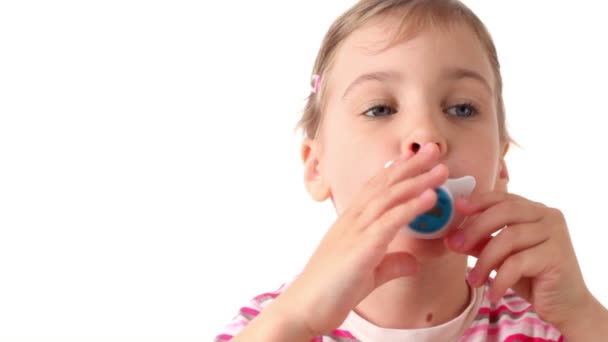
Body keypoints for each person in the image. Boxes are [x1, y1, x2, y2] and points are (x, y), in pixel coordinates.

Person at [214, 0, 608, 340]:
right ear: (317, 167)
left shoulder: (552, 326)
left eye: (461, 109)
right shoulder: (273, 326)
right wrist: (294, 321)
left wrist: (584, 315)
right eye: (380, 109)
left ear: (500, 165)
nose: (426, 137)